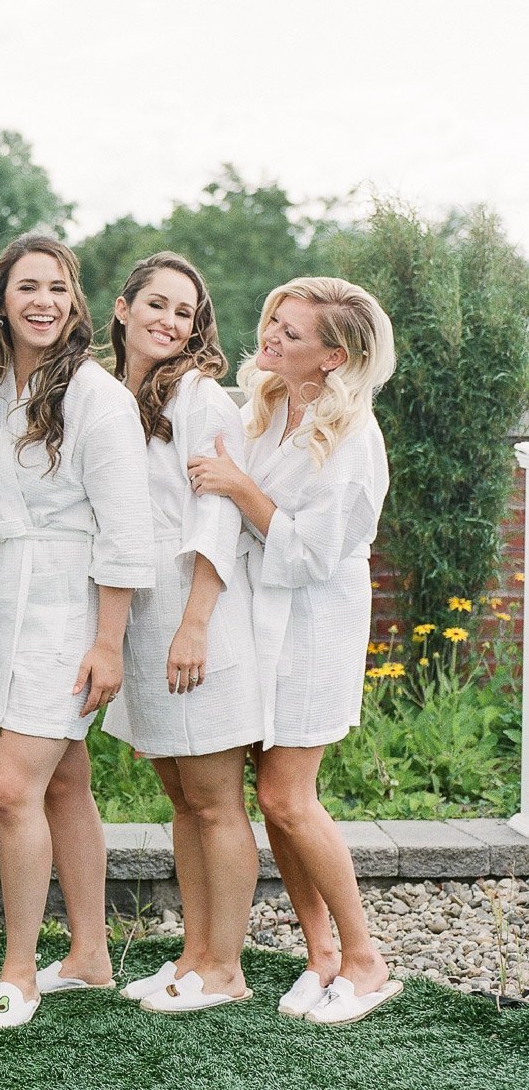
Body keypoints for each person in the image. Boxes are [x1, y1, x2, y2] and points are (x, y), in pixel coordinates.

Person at [186, 276, 399, 1025]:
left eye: (293, 331)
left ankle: (367, 958)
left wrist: (242, 490)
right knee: (271, 799)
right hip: (258, 616)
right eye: (273, 317)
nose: (271, 334)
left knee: (288, 795)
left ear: (334, 357)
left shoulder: (354, 437)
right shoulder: (270, 405)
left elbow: (312, 554)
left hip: (313, 625)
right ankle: (323, 956)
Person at [0, 234, 155, 1029]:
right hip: (7, 597)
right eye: (27, 287)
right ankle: (89, 952)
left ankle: (18, 969)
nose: (43, 301)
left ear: (75, 302)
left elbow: (127, 528)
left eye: (57, 287)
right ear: (1, 301)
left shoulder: (96, 396)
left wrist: (108, 640)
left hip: (72, 608)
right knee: (66, 779)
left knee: (14, 785)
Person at [99, 254, 263, 1012]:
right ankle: (195, 955)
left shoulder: (202, 398)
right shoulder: (107, 396)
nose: (170, 320)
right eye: (156, 304)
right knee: (180, 794)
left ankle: (225, 968)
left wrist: (195, 623)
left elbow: (218, 513)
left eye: (185, 311)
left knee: (215, 797)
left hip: (198, 612)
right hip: (141, 616)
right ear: (124, 307)